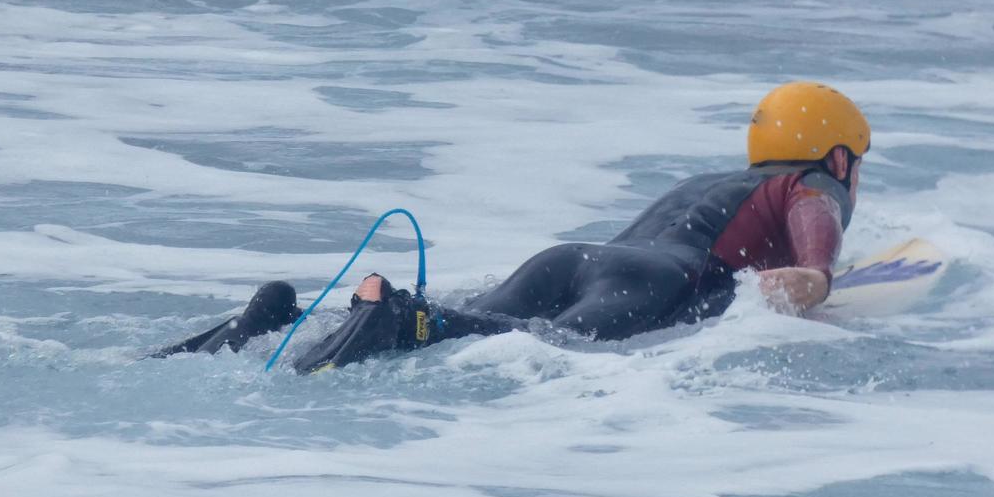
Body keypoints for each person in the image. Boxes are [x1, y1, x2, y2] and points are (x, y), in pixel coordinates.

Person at [153, 81, 868, 373]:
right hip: (653, 279)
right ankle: (402, 317)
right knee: (541, 346)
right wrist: (816, 275)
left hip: (570, 259)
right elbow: (813, 215)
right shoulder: (812, 182)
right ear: (837, 155)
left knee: (465, 318)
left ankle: (274, 324)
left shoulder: (706, 184)